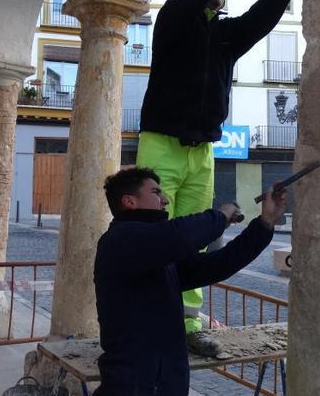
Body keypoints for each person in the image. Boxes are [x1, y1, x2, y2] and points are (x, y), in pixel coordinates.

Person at [136, 0, 320, 355]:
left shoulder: (225, 37)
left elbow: (263, 15)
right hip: (161, 143)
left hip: (202, 150)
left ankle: (185, 326)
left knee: (194, 244)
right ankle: (144, 317)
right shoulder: (172, 22)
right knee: (152, 237)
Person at [93, 167, 287, 395]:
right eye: (156, 193)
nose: (165, 200)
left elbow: (218, 264)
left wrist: (264, 223)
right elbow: (180, 235)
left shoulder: (158, 255)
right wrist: (221, 216)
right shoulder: (120, 240)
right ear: (129, 201)